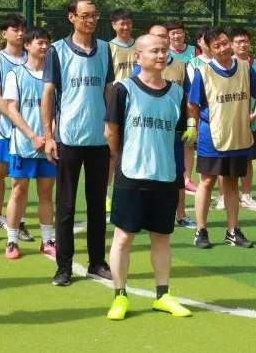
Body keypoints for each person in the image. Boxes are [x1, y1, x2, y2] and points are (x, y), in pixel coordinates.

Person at [105, 34, 193, 321]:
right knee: (123, 237)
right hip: (131, 174)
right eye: (154, 50)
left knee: (162, 237)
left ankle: (163, 295)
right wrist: (125, 156)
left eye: (164, 50)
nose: (161, 55)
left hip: (165, 175)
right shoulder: (124, 89)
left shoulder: (177, 92)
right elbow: (111, 132)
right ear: (138, 56)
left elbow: (179, 132)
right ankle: (120, 296)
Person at [43, 0, 115, 286]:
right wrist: (49, 136)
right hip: (68, 139)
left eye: (94, 15)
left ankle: (97, 262)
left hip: (99, 139)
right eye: (85, 15)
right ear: (71, 17)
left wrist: (113, 131)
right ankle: (64, 266)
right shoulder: (57, 50)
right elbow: (48, 94)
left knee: (97, 205)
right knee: (66, 207)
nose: (91, 20)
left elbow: (108, 90)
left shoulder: (105, 49)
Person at [189, 27, 256, 249]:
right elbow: (193, 104)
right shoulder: (203, 72)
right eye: (216, 46)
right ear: (209, 49)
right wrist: (192, 129)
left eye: (224, 43)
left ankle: (232, 231)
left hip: (238, 134)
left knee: (231, 183)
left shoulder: (245, 67)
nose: (222, 49)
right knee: (207, 181)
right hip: (212, 136)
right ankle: (201, 231)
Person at [1, 27, 58, 260]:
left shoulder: (55, 75)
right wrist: (33, 136)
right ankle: (12, 241)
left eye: (46, 43)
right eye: (39, 42)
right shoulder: (15, 75)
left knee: (46, 192)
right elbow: (11, 110)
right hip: (23, 145)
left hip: (48, 145)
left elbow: (57, 109)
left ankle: (47, 241)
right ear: (27, 45)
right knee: (18, 191)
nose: (43, 47)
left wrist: (49, 137)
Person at [132, 23, 195, 229]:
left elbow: (188, 97)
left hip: (174, 129)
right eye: (156, 37)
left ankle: (181, 215)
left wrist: (191, 123)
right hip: (148, 131)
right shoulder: (140, 67)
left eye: (164, 37)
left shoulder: (180, 65)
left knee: (177, 173)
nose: (162, 40)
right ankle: (141, 214)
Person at [0, 14, 29, 243]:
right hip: (3, 127)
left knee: (21, 178)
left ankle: (18, 222)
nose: (20, 33)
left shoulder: (32, 57)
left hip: (26, 129)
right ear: (4, 33)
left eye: (22, 29)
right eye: (15, 29)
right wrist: (14, 118)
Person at [230, 28, 256, 211]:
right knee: (227, 160)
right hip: (229, 123)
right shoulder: (226, 65)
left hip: (250, 121)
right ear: (231, 45)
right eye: (238, 41)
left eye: (245, 41)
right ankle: (225, 195)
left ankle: (246, 195)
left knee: (248, 159)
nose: (242, 44)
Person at [107, 8, 136, 213]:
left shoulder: (140, 46)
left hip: (138, 105)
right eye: (121, 23)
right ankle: (107, 194)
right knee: (112, 153)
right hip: (116, 105)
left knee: (133, 151)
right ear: (114, 25)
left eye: (128, 23)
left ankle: (130, 193)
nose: (125, 27)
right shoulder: (108, 48)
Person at [184, 25, 212, 196]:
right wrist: (194, 119)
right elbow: (192, 94)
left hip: (224, 114)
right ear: (199, 42)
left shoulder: (227, 62)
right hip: (201, 113)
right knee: (195, 145)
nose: (208, 42)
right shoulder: (193, 63)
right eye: (204, 39)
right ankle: (188, 179)